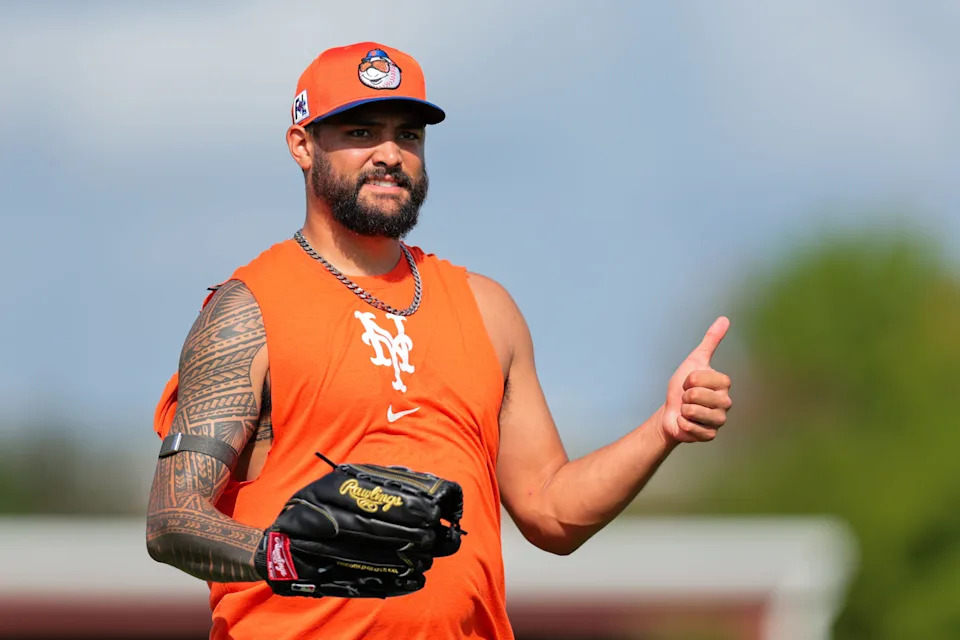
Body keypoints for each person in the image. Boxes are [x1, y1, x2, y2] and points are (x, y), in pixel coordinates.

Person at [145, 41, 733, 640]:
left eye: (409, 135)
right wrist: (287, 555)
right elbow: (171, 518)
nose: (390, 154)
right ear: (302, 144)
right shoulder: (248, 310)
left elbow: (552, 512)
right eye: (361, 131)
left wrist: (664, 428)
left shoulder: (487, 309)